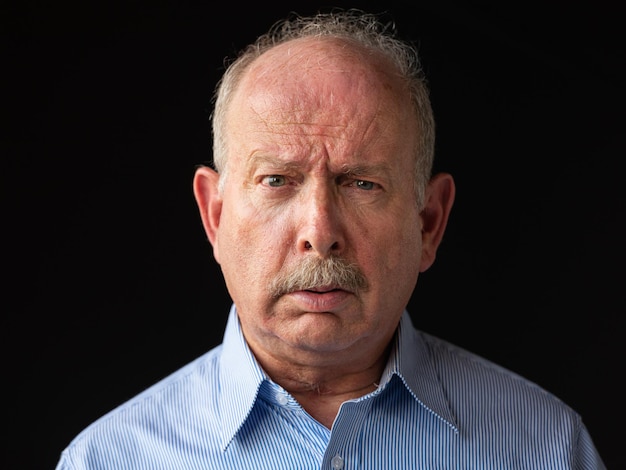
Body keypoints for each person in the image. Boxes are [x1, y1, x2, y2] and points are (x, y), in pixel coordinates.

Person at [55, 9, 606, 469]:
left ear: (428, 223)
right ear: (215, 215)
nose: (320, 232)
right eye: (277, 181)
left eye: (361, 182)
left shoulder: (546, 448)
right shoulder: (109, 458)